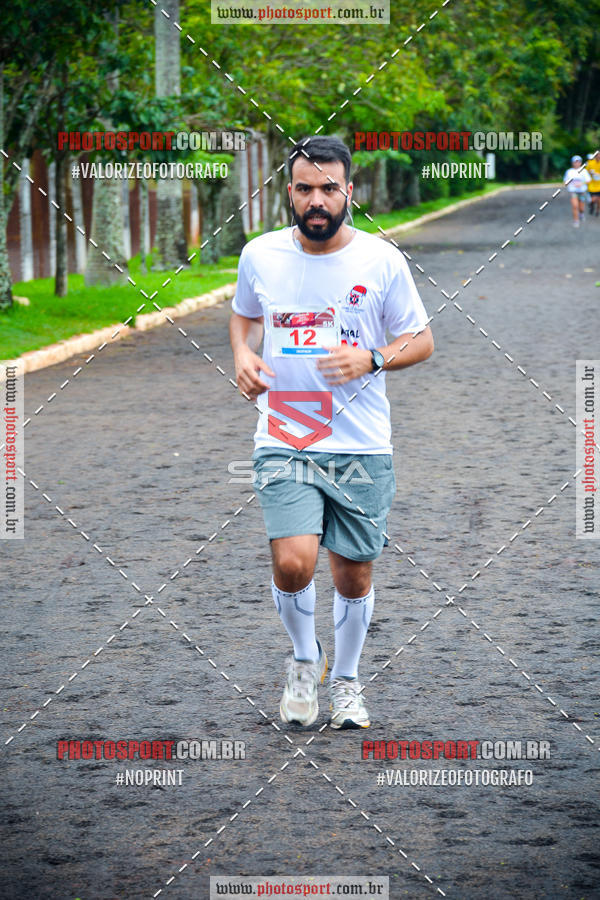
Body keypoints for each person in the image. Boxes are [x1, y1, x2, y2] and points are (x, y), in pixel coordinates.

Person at [229, 136, 434, 729]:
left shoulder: (381, 259)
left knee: (353, 573)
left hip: (362, 444)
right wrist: (243, 353)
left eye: (328, 189)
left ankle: (345, 679)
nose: (316, 200)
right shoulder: (260, 254)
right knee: (293, 563)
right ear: (287, 193)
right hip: (284, 436)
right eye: (304, 189)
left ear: (349, 192)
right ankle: (303, 660)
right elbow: (244, 314)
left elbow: (420, 340)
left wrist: (371, 358)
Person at [563, 155, 591, 227]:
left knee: (581, 207)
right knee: (575, 206)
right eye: (575, 162)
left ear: (580, 163)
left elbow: (588, 180)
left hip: (582, 191)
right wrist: (570, 183)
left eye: (578, 162)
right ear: (572, 163)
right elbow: (565, 182)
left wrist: (581, 183)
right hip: (573, 191)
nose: (576, 163)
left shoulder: (584, 171)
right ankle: (576, 220)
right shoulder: (569, 171)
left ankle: (581, 213)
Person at [586, 152, 600, 217]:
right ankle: (592, 205)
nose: (598, 157)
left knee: (599, 200)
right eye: (597, 155)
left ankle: (597, 211)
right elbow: (585, 172)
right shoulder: (590, 163)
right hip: (592, 185)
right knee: (593, 199)